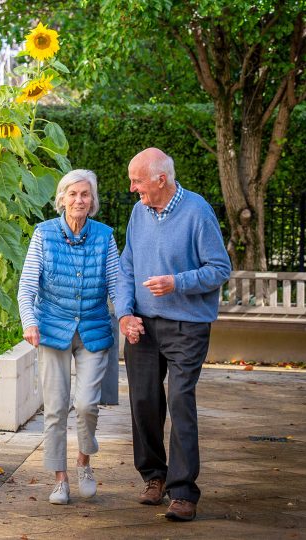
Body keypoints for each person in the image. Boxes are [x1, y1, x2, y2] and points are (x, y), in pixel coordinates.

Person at [116, 148, 231, 522]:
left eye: (138, 181)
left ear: (160, 179)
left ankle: (183, 492)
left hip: (187, 326)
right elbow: (127, 266)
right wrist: (125, 314)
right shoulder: (139, 213)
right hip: (143, 327)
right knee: (144, 403)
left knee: (180, 400)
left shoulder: (197, 212)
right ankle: (154, 477)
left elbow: (219, 269)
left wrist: (176, 283)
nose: (133, 188)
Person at [17, 169, 119, 505]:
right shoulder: (44, 234)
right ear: (61, 199)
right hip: (53, 328)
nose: (79, 200)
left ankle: (84, 462)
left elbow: (117, 286)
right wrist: (29, 321)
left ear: (93, 201)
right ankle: (60, 479)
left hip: (93, 327)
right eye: (73, 194)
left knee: (87, 404)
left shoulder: (105, 236)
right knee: (57, 407)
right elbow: (28, 285)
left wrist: (127, 316)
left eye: (85, 195)